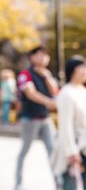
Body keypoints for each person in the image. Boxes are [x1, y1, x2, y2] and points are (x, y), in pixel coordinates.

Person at [51, 56, 86, 190]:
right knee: (70, 185)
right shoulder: (66, 93)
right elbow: (65, 126)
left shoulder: (85, 92)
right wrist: (72, 152)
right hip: (73, 147)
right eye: (82, 68)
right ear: (72, 70)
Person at [15, 46, 58, 190]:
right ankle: (18, 183)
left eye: (45, 55)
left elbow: (54, 91)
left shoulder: (47, 74)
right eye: (39, 55)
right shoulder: (25, 73)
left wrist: (46, 76)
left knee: (53, 151)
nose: (42, 58)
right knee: (24, 151)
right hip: (30, 118)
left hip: (45, 118)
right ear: (31, 57)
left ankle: (59, 183)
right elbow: (30, 93)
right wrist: (50, 103)